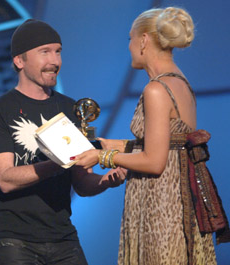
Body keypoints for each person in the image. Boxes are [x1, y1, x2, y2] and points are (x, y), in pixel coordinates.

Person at [73, 7, 224, 265]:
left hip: (162, 206)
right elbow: (171, 144)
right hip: (179, 200)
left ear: (143, 40)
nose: (130, 47)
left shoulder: (156, 89)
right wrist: (119, 145)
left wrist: (103, 156)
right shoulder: (181, 82)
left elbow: (155, 161)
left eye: (130, 39)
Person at [0, 19, 127, 265]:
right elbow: (4, 179)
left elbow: (81, 181)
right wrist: (59, 163)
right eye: (45, 52)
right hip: (13, 239)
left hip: (62, 236)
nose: (55, 61)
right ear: (19, 61)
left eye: (58, 51)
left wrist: (104, 181)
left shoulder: (70, 108)